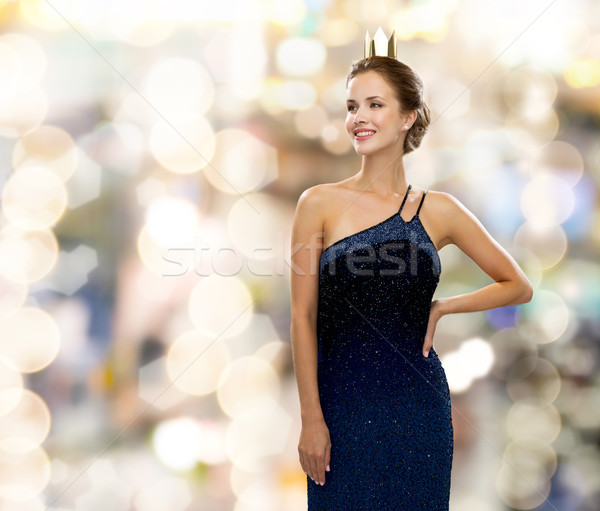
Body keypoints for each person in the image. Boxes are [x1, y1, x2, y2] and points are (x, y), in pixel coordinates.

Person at [289, 48, 533, 509]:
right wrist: (311, 419)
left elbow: (517, 284)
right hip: (340, 409)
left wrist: (444, 307)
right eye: (352, 106)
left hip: (418, 410)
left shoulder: (438, 210)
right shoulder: (317, 203)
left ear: (408, 118)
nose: (358, 117)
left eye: (374, 105)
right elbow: (301, 316)